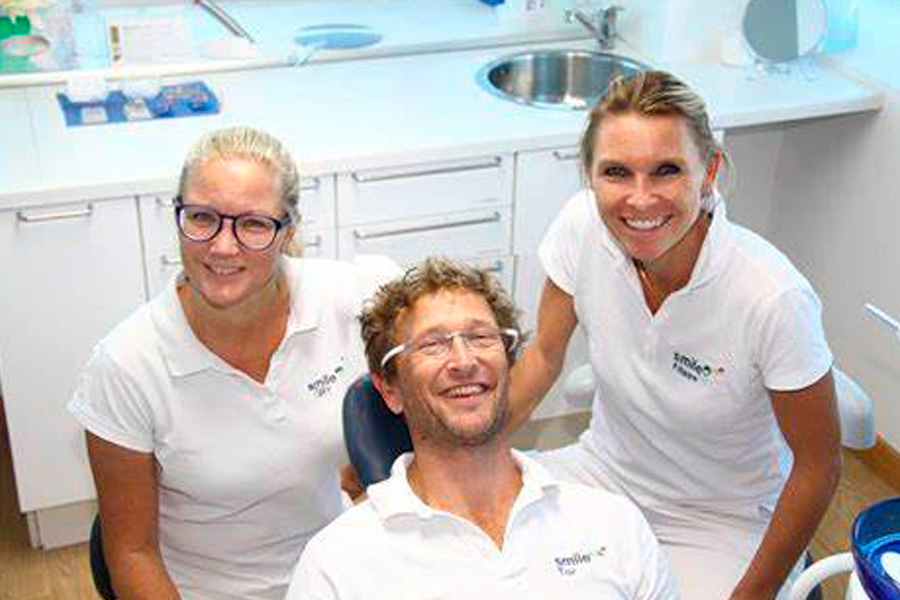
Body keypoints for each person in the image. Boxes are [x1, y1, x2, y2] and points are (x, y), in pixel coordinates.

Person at [507, 70, 842, 600]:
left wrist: (750, 597)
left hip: (725, 521)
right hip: (603, 472)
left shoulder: (772, 296)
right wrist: (458, 460)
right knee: (472, 544)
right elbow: (544, 355)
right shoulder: (582, 227)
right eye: (616, 172)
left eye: (666, 170)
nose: (640, 200)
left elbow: (819, 466)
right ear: (589, 175)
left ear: (709, 171)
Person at [68, 126, 398, 600]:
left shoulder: (350, 296)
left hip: (334, 575)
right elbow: (132, 553)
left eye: (253, 224)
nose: (223, 246)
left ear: (288, 231)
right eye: (202, 218)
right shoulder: (126, 365)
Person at [285, 257, 678, 600]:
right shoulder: (338, 565)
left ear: (508, 364)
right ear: (390, 389)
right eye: (432, 344)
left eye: (480, 337)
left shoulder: (612, 525)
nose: (464, 361)